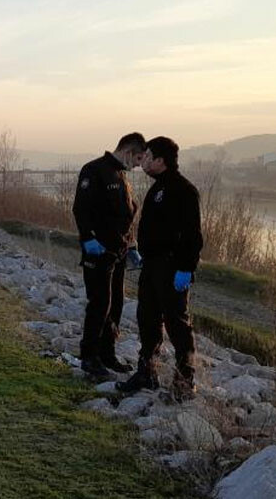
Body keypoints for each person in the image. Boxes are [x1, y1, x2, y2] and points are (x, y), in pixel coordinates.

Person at [117, 136, 204, 402]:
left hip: (172, 267)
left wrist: (186, 269)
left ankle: (184, 380)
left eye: (148, 156)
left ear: (161, 161)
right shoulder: (157, 189)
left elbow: (193, 235)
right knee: (148, 319)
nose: (142, 161)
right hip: (152, 265)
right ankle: (147, 371)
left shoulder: (183, 190)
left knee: (177, 324)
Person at [72, 132, 147, 380]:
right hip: (98, 251)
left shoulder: (121, 177)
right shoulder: (94, 170)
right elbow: (80, 208)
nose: (137, 166)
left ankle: (107, 354)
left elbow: (126, 216)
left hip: (118, 253)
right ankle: (89, 358)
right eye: (136, 160)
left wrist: (132, 245)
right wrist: (87, 238)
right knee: (99, 304)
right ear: (127, 151)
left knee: (115, 306)